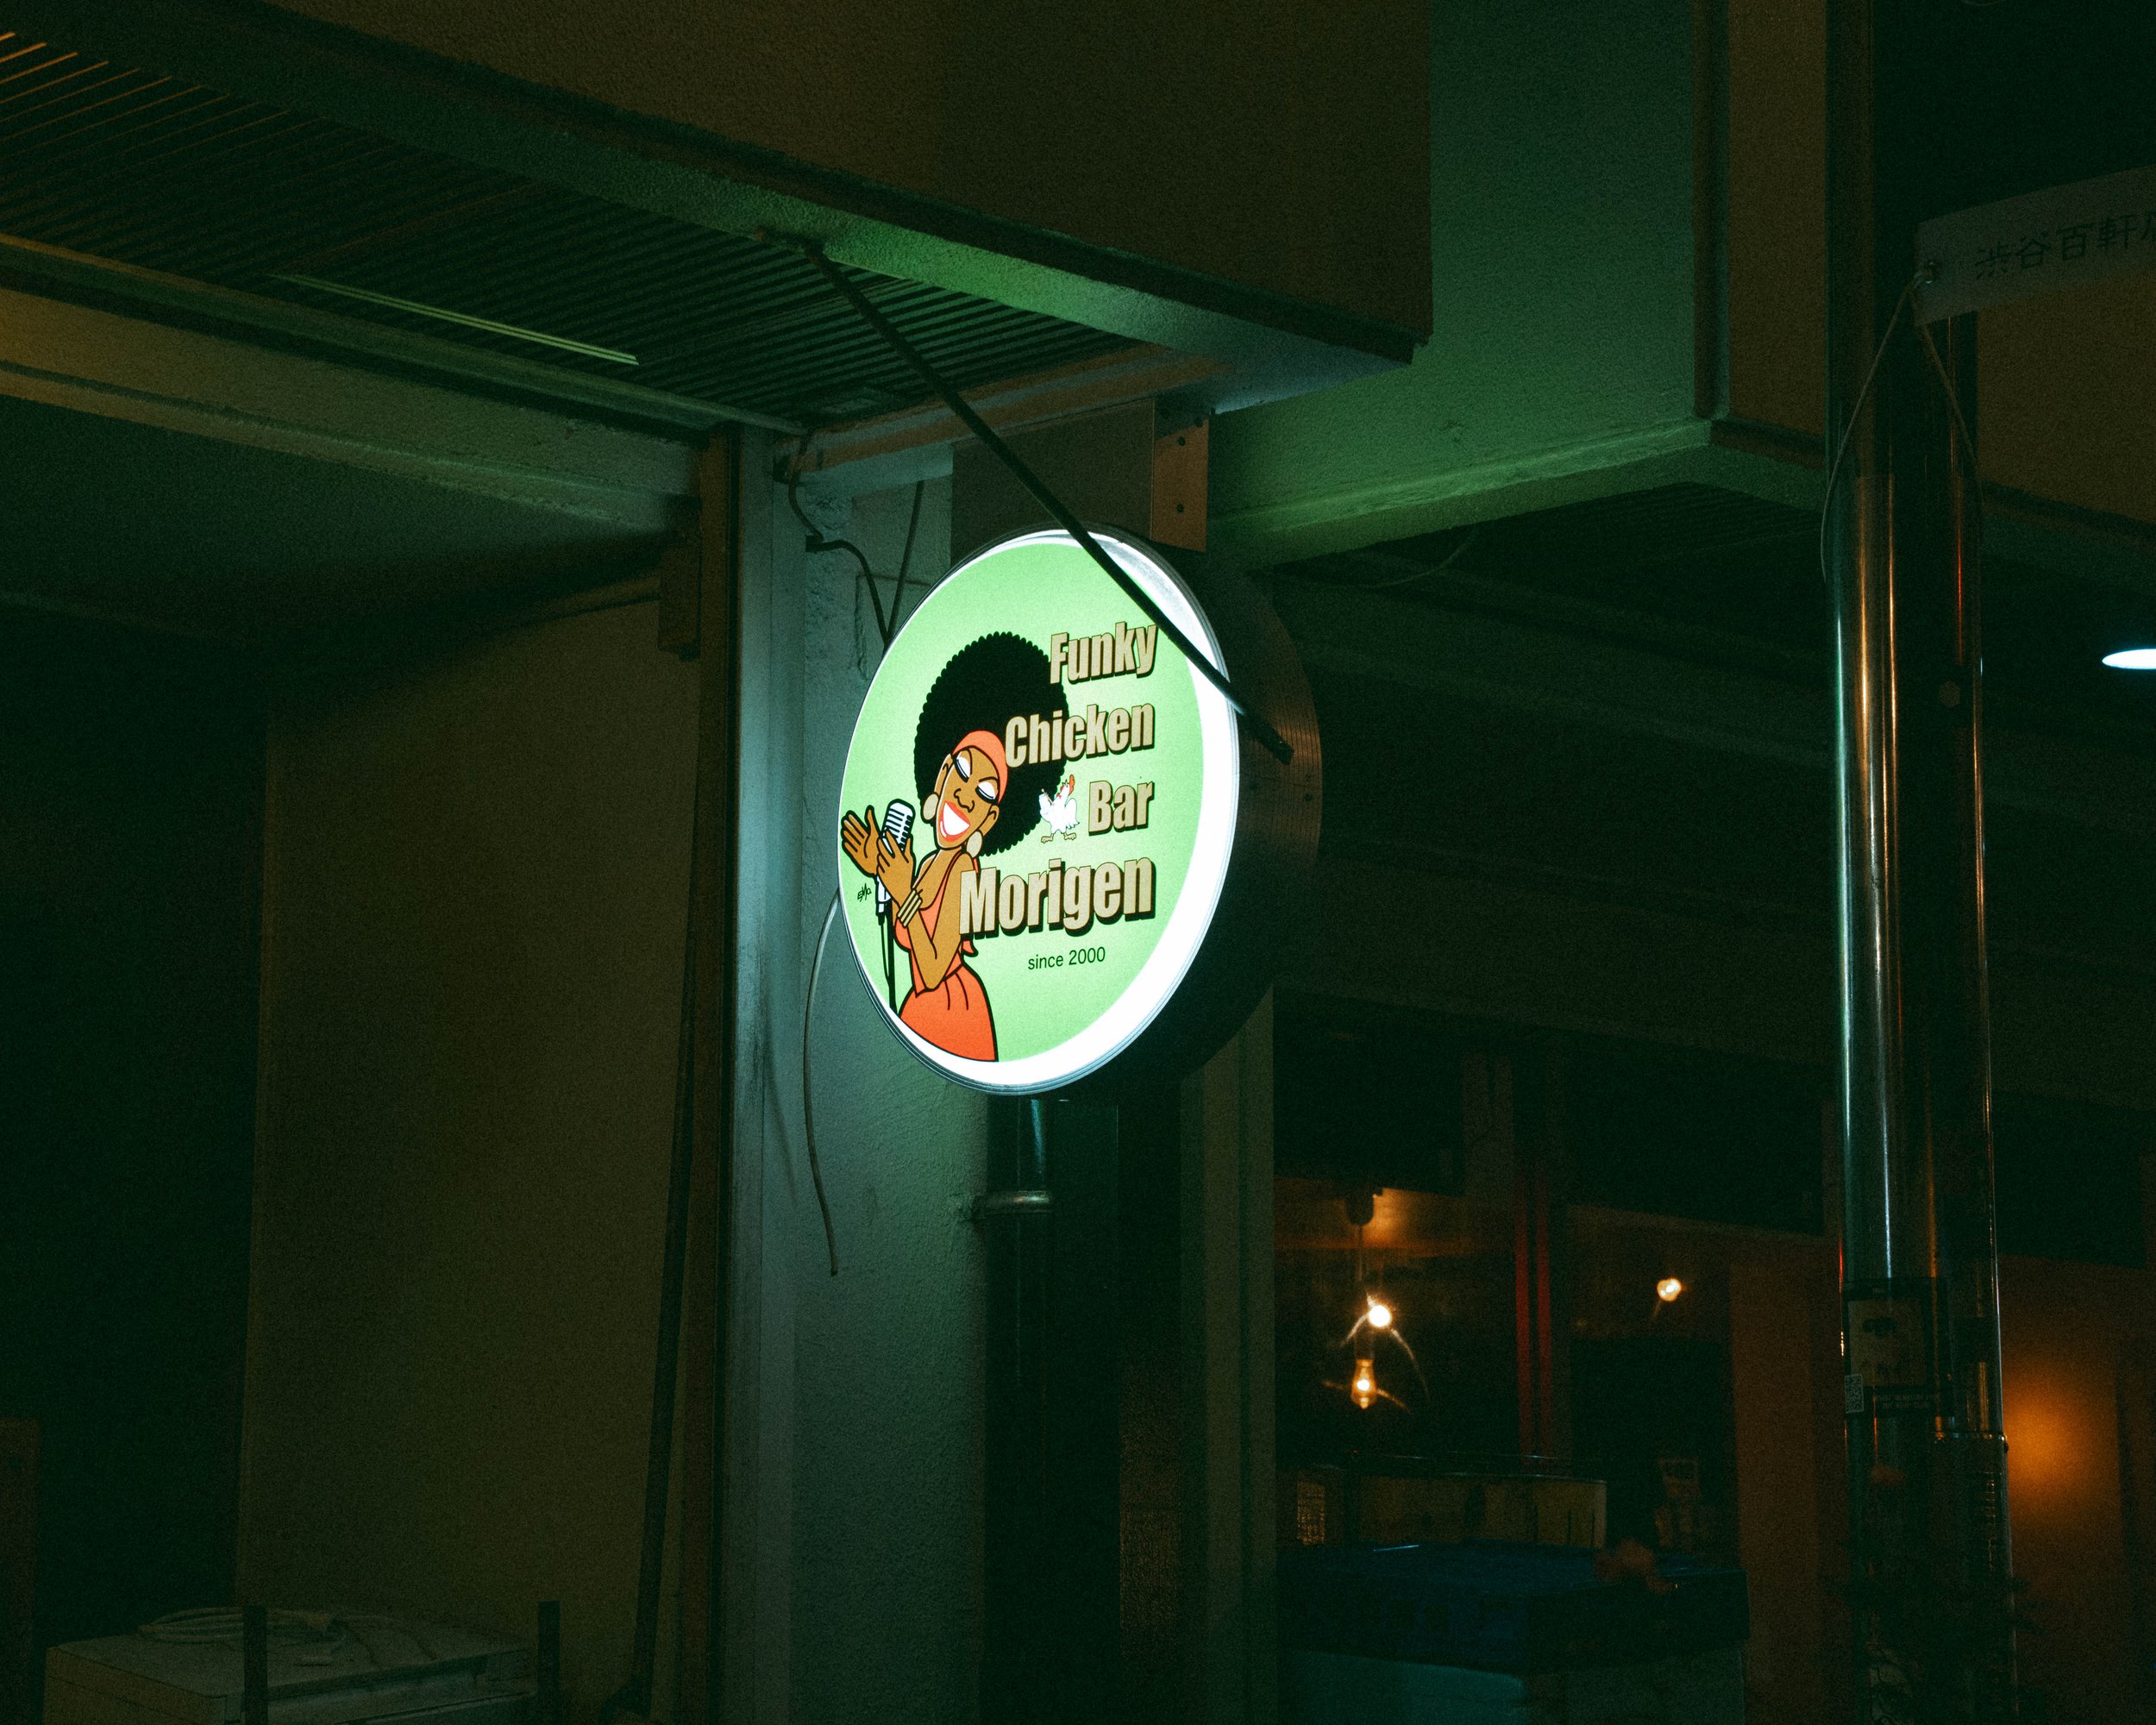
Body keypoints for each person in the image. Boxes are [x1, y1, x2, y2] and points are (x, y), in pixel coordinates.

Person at [843, 728, 1007, 1060]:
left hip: (954, 1009)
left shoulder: (962, 869)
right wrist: (881, 871)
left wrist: (902, 891)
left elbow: (932, 970)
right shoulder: (929, 861)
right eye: (961, 772)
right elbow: (906, 933)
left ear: (988, 820)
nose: (964, 797)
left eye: (983, 792)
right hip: (921, 1007)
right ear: (943, 775)